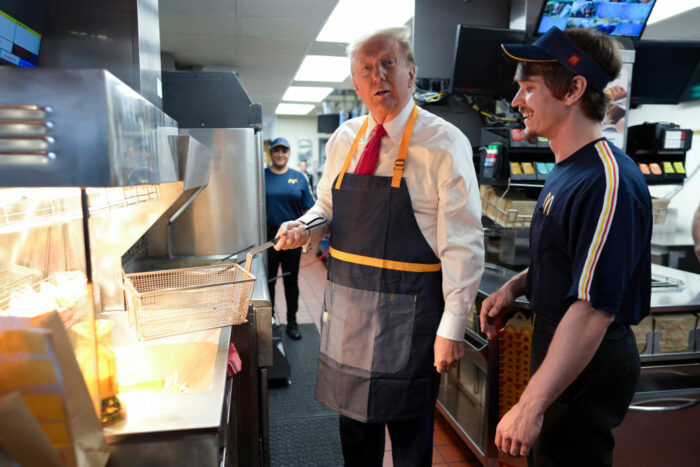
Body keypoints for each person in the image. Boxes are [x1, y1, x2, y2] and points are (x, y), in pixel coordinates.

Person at [272, 27, 484, 466]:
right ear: (355, 82)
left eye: (388, 63)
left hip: (412, 318)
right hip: (348, 310)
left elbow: (463, 245)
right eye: (366, 68)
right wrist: (304, 226)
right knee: (355, 432)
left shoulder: (445, 143)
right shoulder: (345, 139)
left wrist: (452, 326)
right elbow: (327, 205)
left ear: (411, 74)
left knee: (410, 437)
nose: (378, 75)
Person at [481, 27, 652, 466]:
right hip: (558, 341)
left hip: (587, 359)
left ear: (575, 88)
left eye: (529, 87)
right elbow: (564, 257)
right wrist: (515, 287)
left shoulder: (608, 179)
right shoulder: (565, 169)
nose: (517, 101)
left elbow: (594, 308)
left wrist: (530, 405)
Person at [265, 137, 315, 340]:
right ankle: (269, 320)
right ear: (271, 153)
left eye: (284, 151)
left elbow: (308, 210)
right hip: (268, 239)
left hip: (293, 239)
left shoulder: (300, 178)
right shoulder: (261, 176)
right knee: (268, 282)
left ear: (289, 154)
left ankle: (292, 321)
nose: (280, 154)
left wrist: (309, 237)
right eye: (276, 150)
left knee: (290, 281)